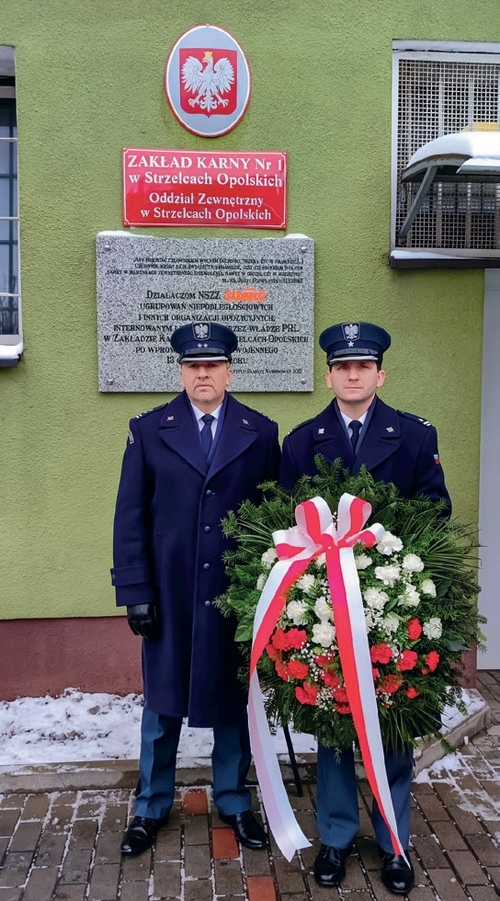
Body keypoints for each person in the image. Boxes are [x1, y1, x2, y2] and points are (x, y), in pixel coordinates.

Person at [280, 321, 450, 896]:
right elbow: (285, 524)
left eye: (364, 366)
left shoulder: (415, 436)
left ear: (381, 373)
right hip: (323, 609)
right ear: (328, 374)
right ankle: (334, 836)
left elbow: (435, 512)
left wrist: (388, 561)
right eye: (342, 366)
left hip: (390, 607)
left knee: (392, 725)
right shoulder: (302, 442)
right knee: (331, 724)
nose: (353, 375)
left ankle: (393, 840)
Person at [111, 321, 281, 856]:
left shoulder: (260, 431)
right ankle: (150, 805)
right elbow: (130, 518)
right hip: (171, 591)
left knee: (232, 703)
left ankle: (233, 798)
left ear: (230, 370)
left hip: (234, 595)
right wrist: (136, 589)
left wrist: (266, 592)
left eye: (212, 365)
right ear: (181, 371)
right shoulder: (149, 430)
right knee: (162, 705)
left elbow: (271, 517)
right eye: (192, 365)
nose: (202, 374)